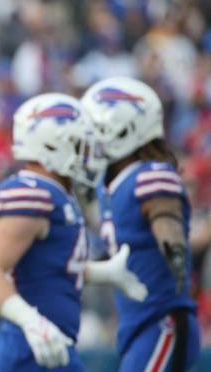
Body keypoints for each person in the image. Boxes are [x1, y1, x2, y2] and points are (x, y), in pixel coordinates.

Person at [0, 93, 146, 372]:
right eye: (79, 144)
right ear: (51, 144)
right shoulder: (33, 192)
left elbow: (49, 266)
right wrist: (31, 320)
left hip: (53, 346)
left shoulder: (57, 195)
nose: (88, 153)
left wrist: (102, 273)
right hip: (32, 348)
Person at [81, 77, 200, 371]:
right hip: (138, 323)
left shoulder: (150, 175)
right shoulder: (109, 186)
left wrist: (174, 251)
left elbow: (166, 220)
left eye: (96, 129)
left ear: (123, 128)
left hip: (162, 320)